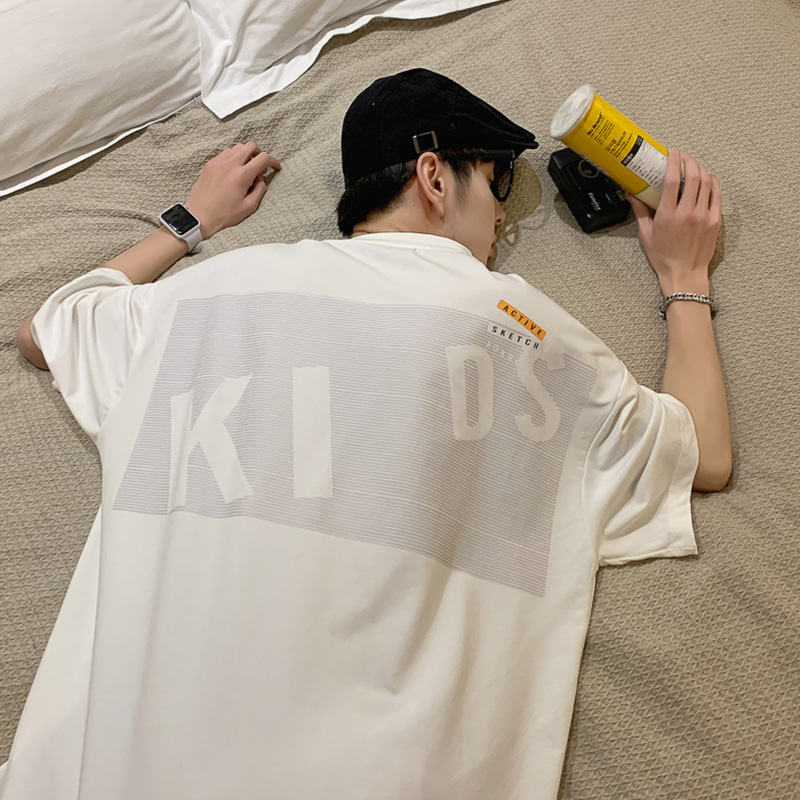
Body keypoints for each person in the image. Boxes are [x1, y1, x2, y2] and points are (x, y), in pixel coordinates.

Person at [6, 69, 730, 800]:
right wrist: (685, 275)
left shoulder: (203, 294)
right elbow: (703, 453)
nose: (502, 221)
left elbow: (42, 331)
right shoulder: (516, 325)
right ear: (434, 179)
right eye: (496, 185)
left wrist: (191, 220)